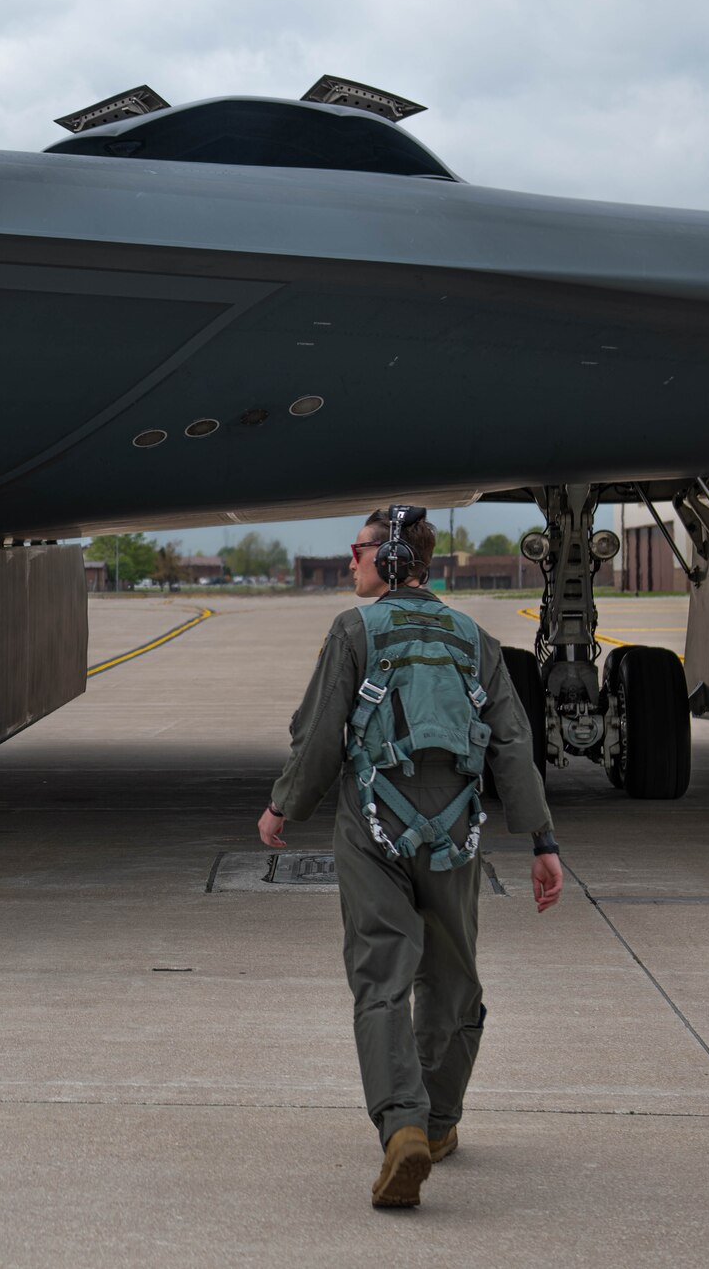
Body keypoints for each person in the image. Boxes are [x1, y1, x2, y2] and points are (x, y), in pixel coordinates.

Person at [259, 506, 563, 1209]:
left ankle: (402, 1126)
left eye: (360, 550)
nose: (351, 562)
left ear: (390, 559)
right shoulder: (474, 638)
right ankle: (441, 1120)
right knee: (454, 975)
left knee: (381, 973)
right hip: (456, 830)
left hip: (373, 826)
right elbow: (514, 744)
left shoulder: (353, 631)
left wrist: (284, 806)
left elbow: (317, 738)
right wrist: (541, 841)